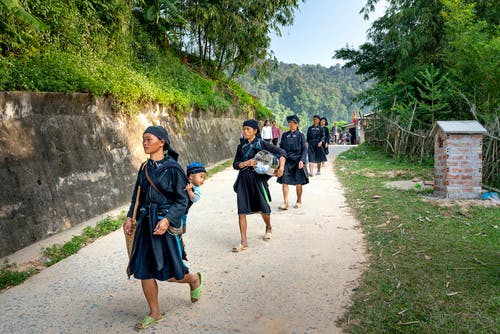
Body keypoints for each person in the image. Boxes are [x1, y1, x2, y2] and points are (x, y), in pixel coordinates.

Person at [123, 125, 203, 331]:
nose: (145, 142)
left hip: (163, 225)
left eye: (149, 139)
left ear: (162, 142)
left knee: (169, 272)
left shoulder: (174, 170)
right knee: (143, 269)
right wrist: (129, 218)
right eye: (143, 139)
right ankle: (155, 313)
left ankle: (192, 279)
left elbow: (182, 201)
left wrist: (167, 220)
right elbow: (137, 197)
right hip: (145, 224)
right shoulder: (144, 168)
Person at [232, 119, 286, 252]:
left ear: (255, 131)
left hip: (258, 180)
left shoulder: (262, 144)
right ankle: (243, 241)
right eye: (244, 129)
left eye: (248, 129)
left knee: (263, 209)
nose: (245, 132)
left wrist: (281, 168)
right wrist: (246, 163)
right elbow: (235, 164)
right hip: (243, 180)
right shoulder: (241, 146)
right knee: (241, 211)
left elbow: (282, 153)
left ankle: (268, 227)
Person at [277, 115, 309, 210]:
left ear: (297, 124)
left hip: (297, 160)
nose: (291, 124)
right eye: (290, 122)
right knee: (284, 181)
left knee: (298, 182)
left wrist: (302, 160)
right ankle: (285, 203)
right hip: (287, 160)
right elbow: (281, 148)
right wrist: (280, 159)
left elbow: (304, 148)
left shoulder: (301, 135)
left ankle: (299, 201)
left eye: (294, 122)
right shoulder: (285, 135)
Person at [179, 161, 207, 260]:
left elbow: (194, 199)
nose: (203, 180)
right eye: (201, 176)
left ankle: (180, 242)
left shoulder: (197, 188)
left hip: (183, 213)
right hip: (178, 210)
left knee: (182, 229)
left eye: (204, 177)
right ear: (191, 177)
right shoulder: (184, 182)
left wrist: (190, 191)